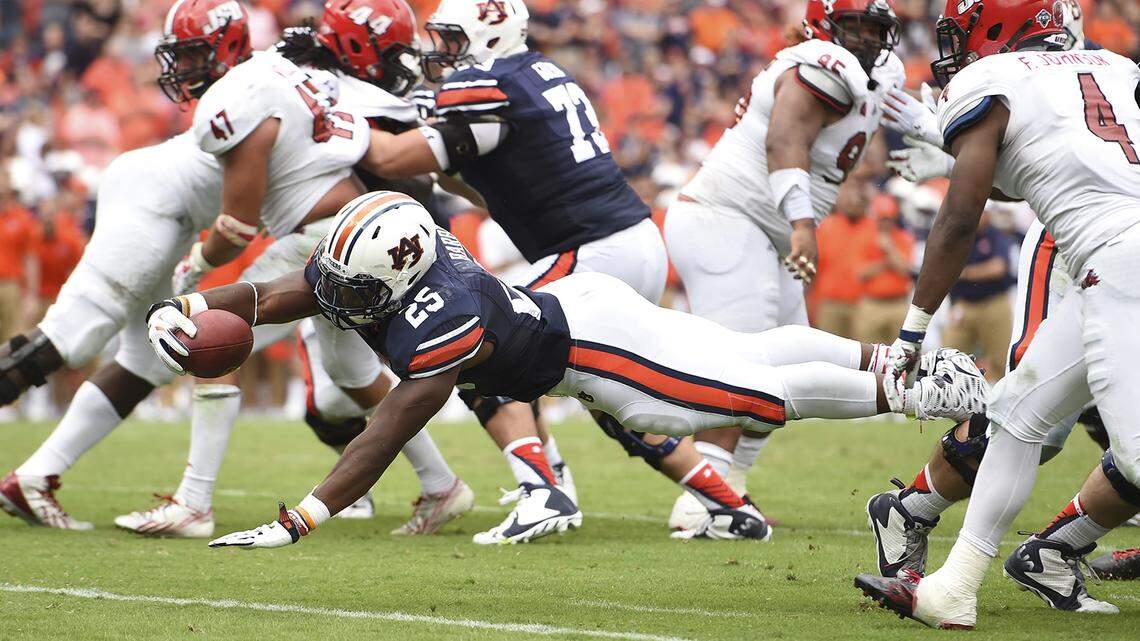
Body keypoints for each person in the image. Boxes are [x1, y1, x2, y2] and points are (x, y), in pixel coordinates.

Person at [141, 191, 989, 549]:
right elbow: (282, 290)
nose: (342, 291)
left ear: (395, 275)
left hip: (596, 354)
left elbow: (391, 424)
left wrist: (303, 518)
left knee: (754, 392)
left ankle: (905, 384)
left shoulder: (445, 317)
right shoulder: (383, 256)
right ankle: (900, 364)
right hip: (578, 307)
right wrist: (190, 306)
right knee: (744, 358)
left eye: (360, 285)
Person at [0, 0, 468, 538]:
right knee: (352, 374)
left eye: (196, 52)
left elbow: (238, 227)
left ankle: (194, 503)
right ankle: (441, 484)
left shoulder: (248, 90)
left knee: (211, 336)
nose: (185, 67)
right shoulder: (298, 74)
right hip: (343, 228)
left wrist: (195, 267)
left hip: (325, 235)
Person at [358, 0, 766, 543]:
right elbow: (479, 186)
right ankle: (730, 506)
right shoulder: (535, 74)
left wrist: (338, 123)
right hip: (626, 239)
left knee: (474, 347)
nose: (442, 52)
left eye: (453, 39)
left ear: (491, 35)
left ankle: (541, 489)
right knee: (611, 393)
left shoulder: (494, 83)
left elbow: (386, 159)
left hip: (590, 249)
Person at [853, 0, 1140, 628]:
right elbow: (1048, 164)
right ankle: (953, 588)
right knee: (1018, 415)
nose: (956, 46)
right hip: (1109, 261)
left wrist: (914, 327)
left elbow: (960, 218)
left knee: (1139, 455)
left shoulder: (992, 80)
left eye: (962, 30)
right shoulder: (1114, 66)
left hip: (1117, 260)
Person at [662, 0, 907, 530]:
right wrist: (801, 223)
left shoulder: (875, 71)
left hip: (762, 229)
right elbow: (784, 141)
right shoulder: (818, 62)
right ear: (826, 25)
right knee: (740, 366)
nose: (865, 39)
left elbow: (901, 112)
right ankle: (703, 500)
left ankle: (732, 488)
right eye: (854, 26)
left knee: (785, 366)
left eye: (874, 28)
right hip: (728, 217)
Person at [941, 208, 1013, 380]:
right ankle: (951, 396)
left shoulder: (994, 235)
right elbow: (947, 270)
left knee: (1002, 359)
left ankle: (999, 399)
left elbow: (998, 268)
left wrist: (965, 273)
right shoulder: (958, 236)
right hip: (964, 303)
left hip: (994, 302)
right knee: (949, 355)